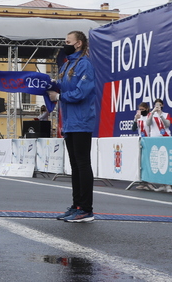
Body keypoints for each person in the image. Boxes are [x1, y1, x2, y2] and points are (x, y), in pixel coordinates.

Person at [54, 30, 98, 223]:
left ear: (78, 43)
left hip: (81, 121)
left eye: (68, 41)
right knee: (75, 166)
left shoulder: (85, 65)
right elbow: (63, 88)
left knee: (82, 164)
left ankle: (86, 209)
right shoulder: (67, 64)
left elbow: (81, 92)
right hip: (70, 122)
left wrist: (60, 96)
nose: (65, 44)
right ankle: (76, 206)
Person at [146, 99, 172, 193]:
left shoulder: (166, 114)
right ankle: (162, 184)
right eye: (156, 104)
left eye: (159, 105)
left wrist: (160, 114)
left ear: (162, 105)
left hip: (165, 139)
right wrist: (153, 112)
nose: (158, 106)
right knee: (158, 162)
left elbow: (167, 124)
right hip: (154, 140)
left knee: (165, 161)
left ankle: (168, 184)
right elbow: (148, 124)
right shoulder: (151, 114)